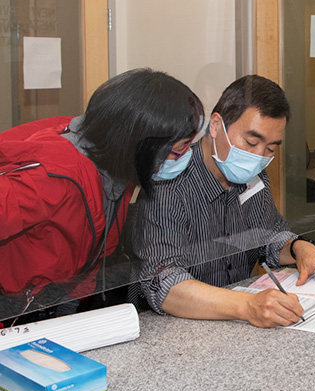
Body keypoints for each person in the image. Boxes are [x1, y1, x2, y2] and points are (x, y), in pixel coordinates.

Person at [131, 74, 315, 327]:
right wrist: (246, 306)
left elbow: (267, 236)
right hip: (178, 328)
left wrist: (298, 247)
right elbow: (163, 284)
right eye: (251, 141)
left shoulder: (253, 177)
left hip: (237, 323)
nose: (258, 156)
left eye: (270, 149)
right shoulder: (168, 183)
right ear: (216, 126)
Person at [0, 68, 203, 304]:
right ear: (143, 143)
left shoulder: (117, 162)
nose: (184, 156)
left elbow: (92, 247)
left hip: (56, 301)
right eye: (180, 148)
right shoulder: (56, 178)